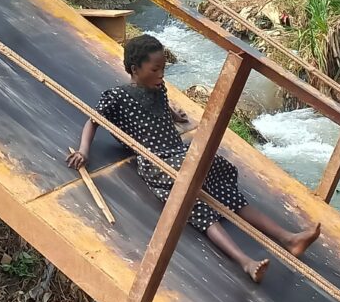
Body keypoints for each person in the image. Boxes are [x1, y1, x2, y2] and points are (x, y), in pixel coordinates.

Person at [66, 34, 321, 283]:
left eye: (163, 68)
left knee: (222, 184)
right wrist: (84, 151)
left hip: (179, 153)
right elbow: (93, 122)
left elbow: (158, 106)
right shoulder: (117, 97)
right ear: (135, 69)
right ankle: (246, 262)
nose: (161, 75)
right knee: (198, 206)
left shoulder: (158, 88)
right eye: (155, 69)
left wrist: (173, 114)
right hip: (157, 162)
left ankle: (289, 238)